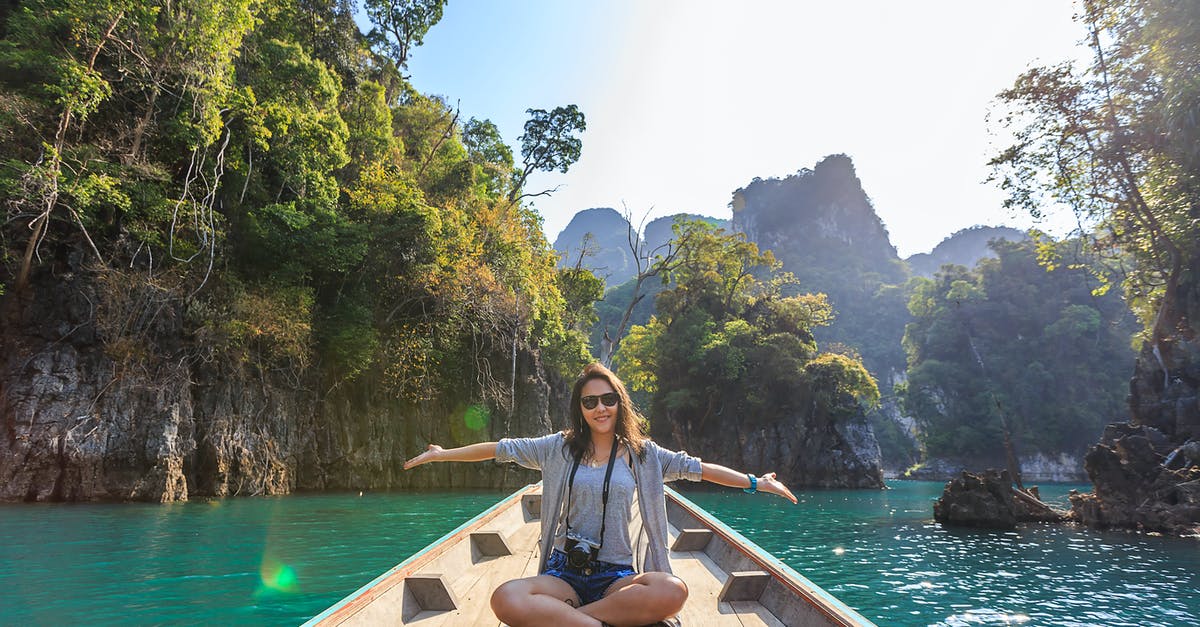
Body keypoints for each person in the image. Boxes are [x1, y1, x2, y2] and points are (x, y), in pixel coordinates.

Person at [403, 362, 797, 627]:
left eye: (608, 399)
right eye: (590, 401)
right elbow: (498, 448)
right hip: (564, 572)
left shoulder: (645, 455)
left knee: (671, 590)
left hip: (616, 576)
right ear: (580, 407)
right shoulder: (556, 448)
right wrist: (442, 455)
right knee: (505, 598)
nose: (600, 408)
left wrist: (756, 482)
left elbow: (700, 468)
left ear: (619, 402)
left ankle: (571, 619)